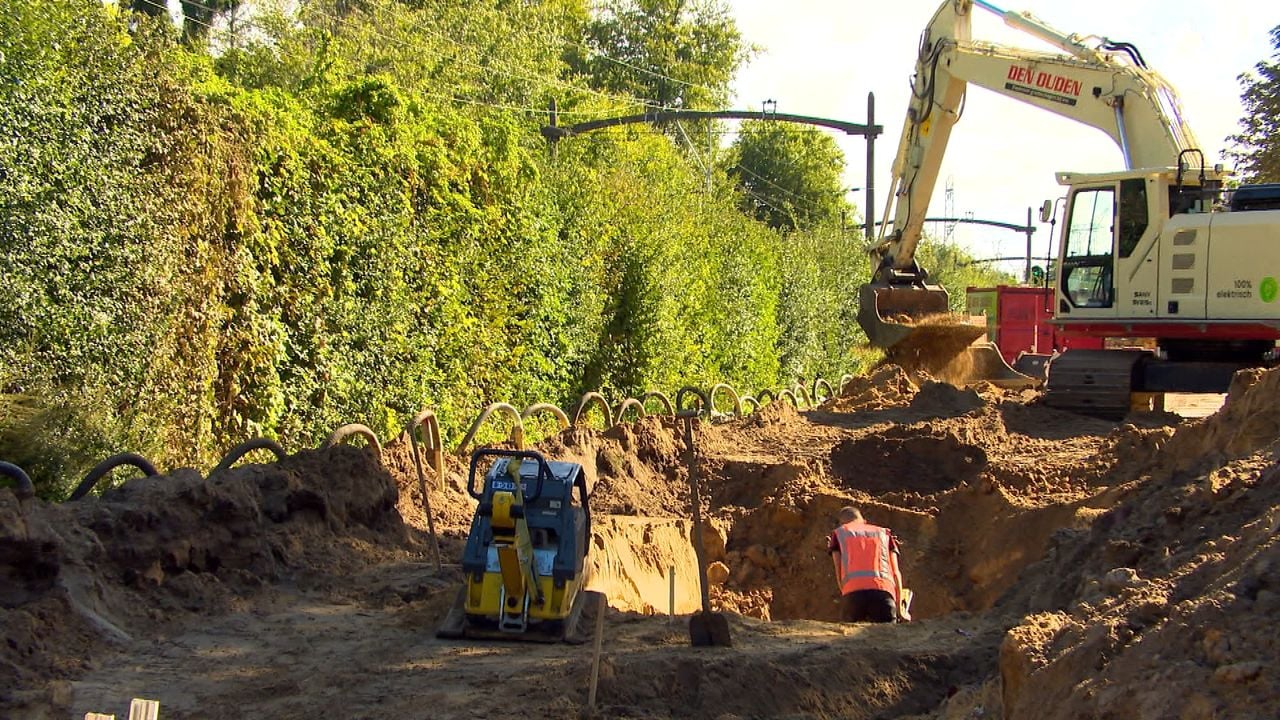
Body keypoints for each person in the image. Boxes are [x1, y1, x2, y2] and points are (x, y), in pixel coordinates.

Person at [827, 506, 906, 623]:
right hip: (883, 594)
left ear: (842, 524)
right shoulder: (884, 533)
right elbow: (896, 573)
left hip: (853, 595)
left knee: (851, 639)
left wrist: (847, 594)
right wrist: (900, 609)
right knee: (887, 639)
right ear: (864, 522)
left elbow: (838, 572)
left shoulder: (839, 534)